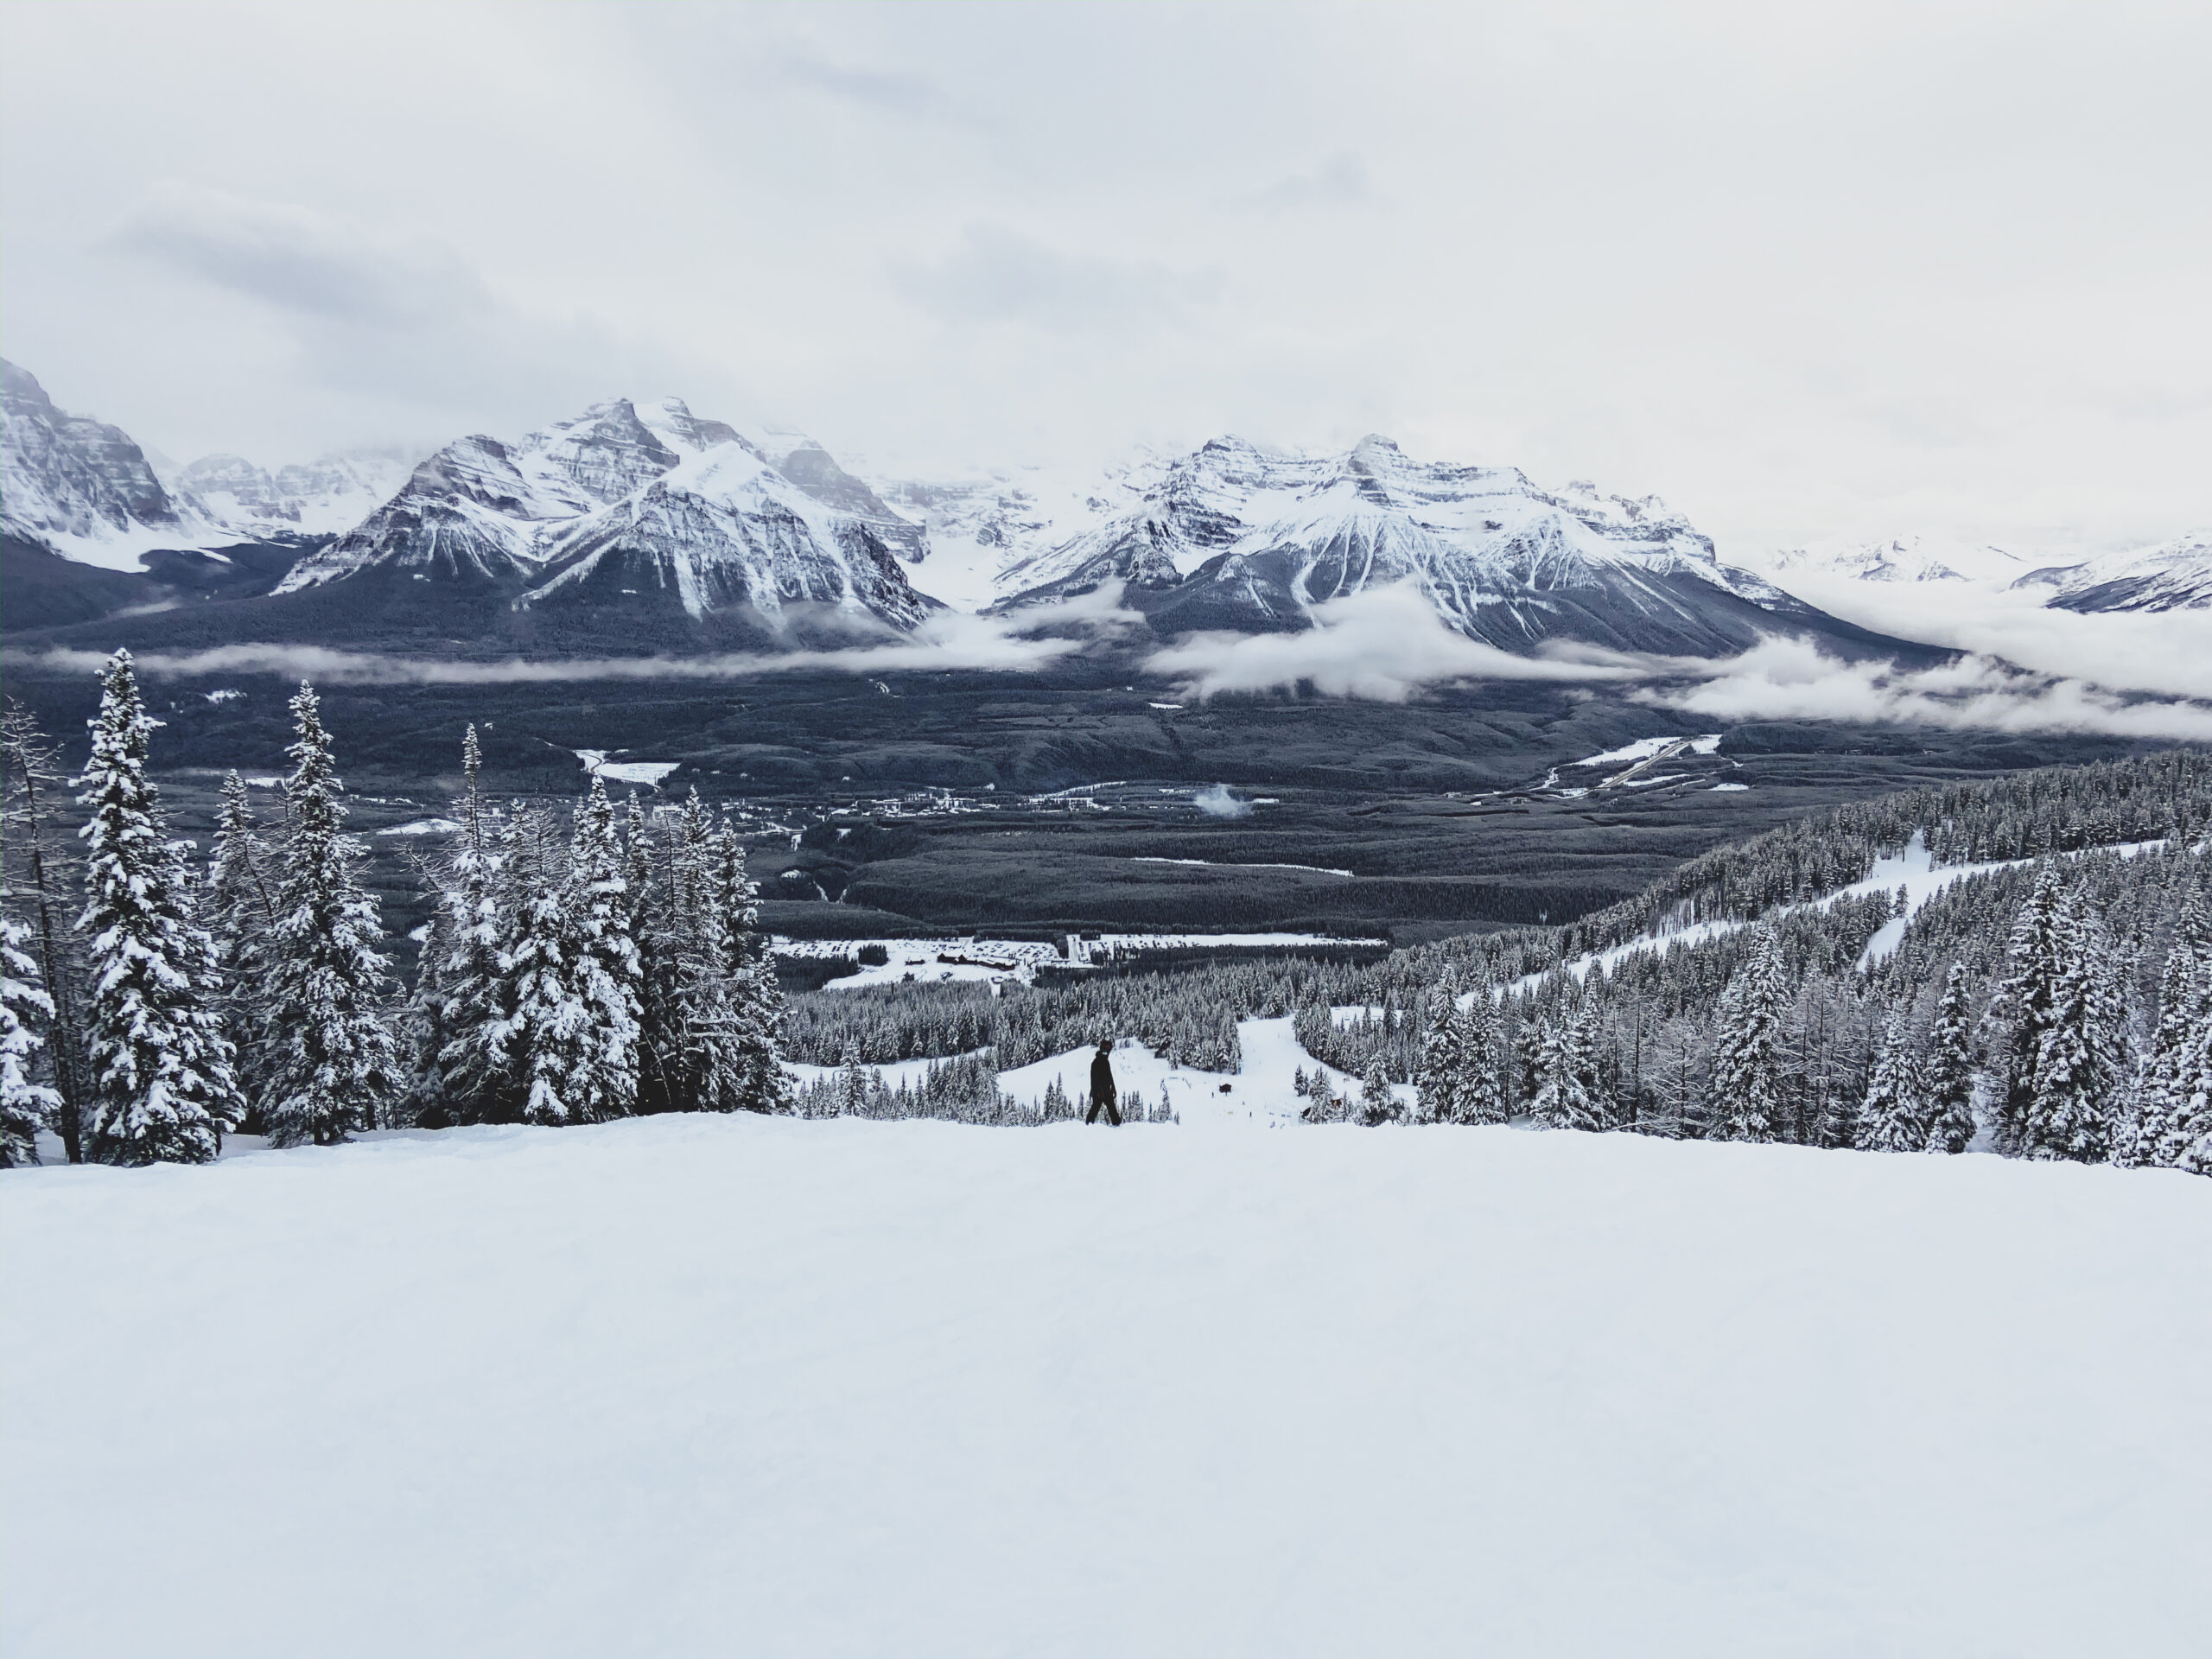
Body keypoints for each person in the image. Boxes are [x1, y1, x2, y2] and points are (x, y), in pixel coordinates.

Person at [1084, 1039, 1122, 1126]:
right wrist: (1099, 1090)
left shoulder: (1106, 1062)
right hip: (1099, 1090)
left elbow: (1109, 1076)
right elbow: (1094, 1078)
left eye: (1108, 1051)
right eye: (1105, 1051)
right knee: (1096, 1107)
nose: (1107, 1053)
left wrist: (1113, 1087)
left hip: (1106, 1089)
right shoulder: (1096, 1062)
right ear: (1101, 1049)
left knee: (1111, 1106)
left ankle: (1117, 1124)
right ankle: (1089, 1124)